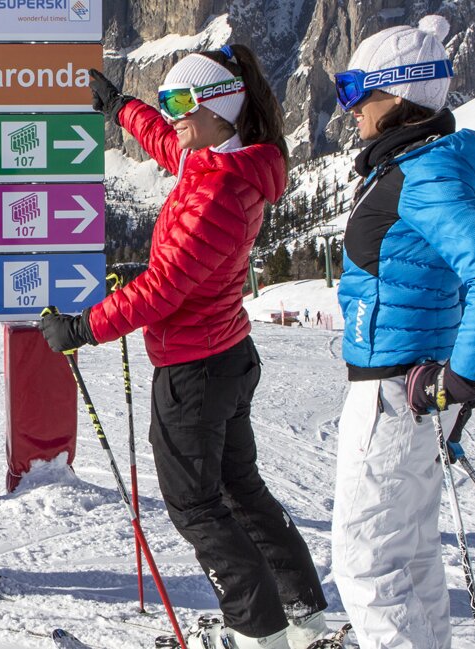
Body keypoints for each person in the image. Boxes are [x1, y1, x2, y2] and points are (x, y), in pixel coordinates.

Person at [40, 45, 329, 649]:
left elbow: (165, 288)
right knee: (240, 491)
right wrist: (123, 107)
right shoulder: (224, 162)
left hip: (194, 371)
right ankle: (304, 620)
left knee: (195, 505)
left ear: (218, 106)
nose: (169, 113)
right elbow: (168, 145)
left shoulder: (218, 191)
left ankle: (256, 632)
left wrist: (83, 328)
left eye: (179, 101)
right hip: (225, 357)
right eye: (166, 100)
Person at [330, 16, 475, 649]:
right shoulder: (415, 165)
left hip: (395, 392)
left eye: (358, 87)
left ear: (402, 94)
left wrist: (463, 377)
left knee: (366, 565)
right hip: (409, 388)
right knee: (410, 556)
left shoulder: (424, 175)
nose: (349, 105)